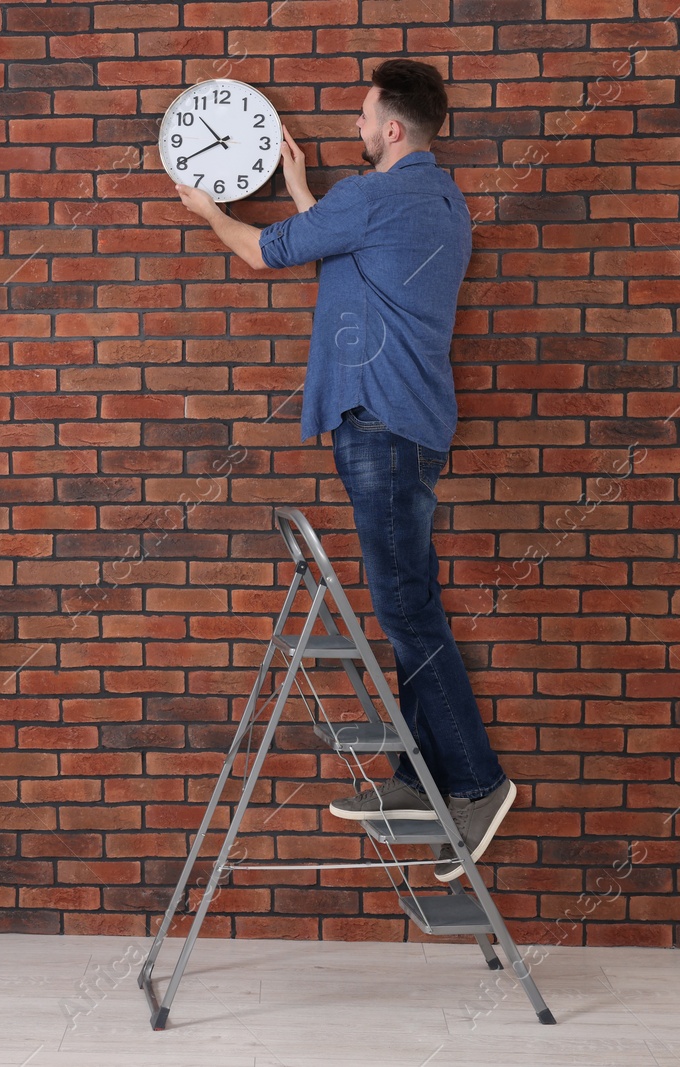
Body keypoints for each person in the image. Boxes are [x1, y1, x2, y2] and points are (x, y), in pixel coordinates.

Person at [173, 59, 513, 882]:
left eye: (364, 119)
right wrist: (298, 187)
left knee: (406, 611)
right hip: (417, 423)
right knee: (408, 604)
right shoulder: (437, 202)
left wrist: (207, 208)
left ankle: (476, 780)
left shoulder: (369, 199)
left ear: (392, 129)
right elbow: (353, 258)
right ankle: (414, 778)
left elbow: (263, 253)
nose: (356, 131)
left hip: (379, 424)